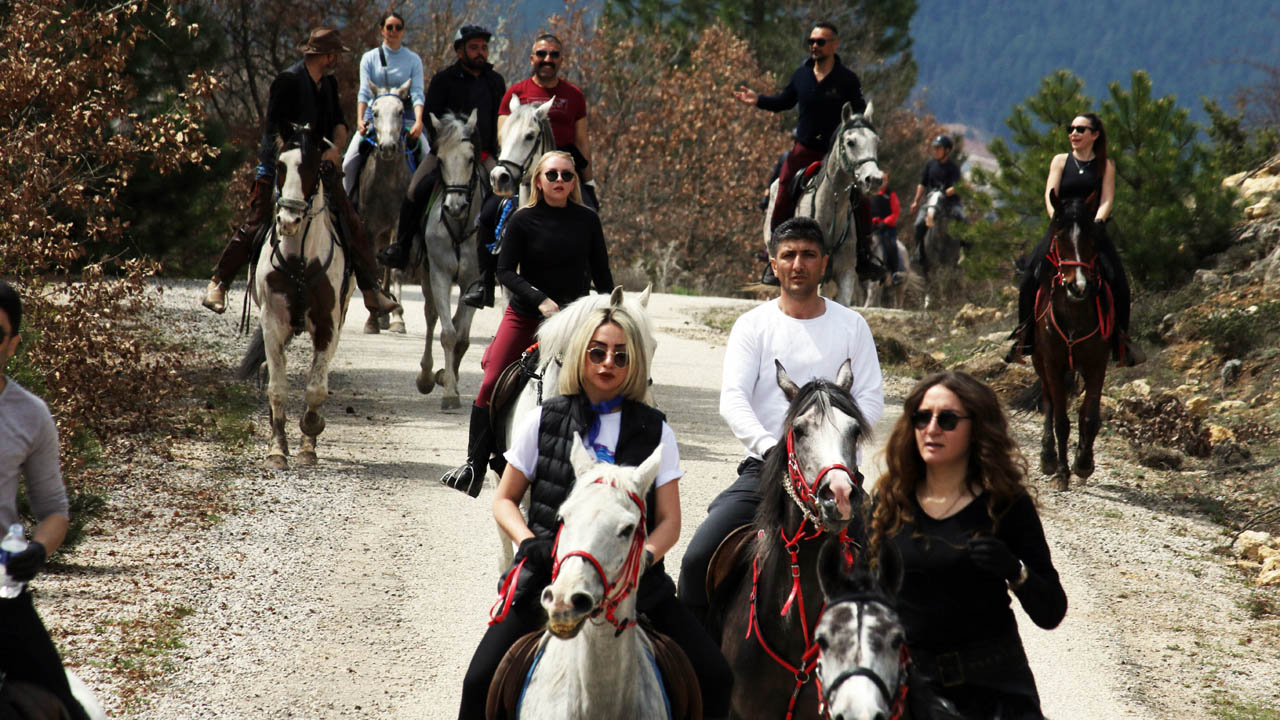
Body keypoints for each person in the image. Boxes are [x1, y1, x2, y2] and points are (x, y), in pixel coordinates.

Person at [456, 304, 733, 719]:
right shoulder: (541, 421)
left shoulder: (657, 430)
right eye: (598, 351)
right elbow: (504, 499)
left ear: (634, 362)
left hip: (635, 580)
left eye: (621, 355)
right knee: (478, 682)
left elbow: (670, 522)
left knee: (716, 676)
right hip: (551, 573)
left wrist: (644, 560)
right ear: (580, 353)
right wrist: (529, 542)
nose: (608, 363)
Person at [676, 216, 884, 626]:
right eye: (788, 255)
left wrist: (839, 452)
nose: (798, 264)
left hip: (835, 471)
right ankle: (694, 667)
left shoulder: (852, 326)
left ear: (825, 263)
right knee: (698, 558)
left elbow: (870, 400)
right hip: (768, 469)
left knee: (888, 559)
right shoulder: (753, 326)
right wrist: (772, 450)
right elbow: (733, 400)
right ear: (774, 264)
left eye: (808, 255)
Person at [868, 371, 1068, 719]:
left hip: (994, 688)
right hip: (909, 688)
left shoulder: (1006, 503)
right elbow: (856, 597)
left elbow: (1051, 611)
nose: (931, 429)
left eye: (947, 420)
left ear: (976, 428)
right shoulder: (888, 503)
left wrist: (1015, 571)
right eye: (921, 417)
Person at [439, 151, 612, 497]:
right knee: (492, 378)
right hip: (527, 315)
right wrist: (540, 300)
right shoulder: (521, 220)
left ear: (574, 181)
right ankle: (474, 464)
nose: (560, 181)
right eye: (552, 175)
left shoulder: (588, 221)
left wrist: (612, 313)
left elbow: (603, 276)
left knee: (611, 371)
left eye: (567, 175)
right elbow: (504, 271)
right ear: (538, 180)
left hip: (574, 317)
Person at [201, 27, 400, 318]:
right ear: (327, 55)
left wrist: (336, 149)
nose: (336, 60)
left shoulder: (328, 85)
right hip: (282, 165)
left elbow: (339, 124)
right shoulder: (288, 81)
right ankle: (219, 282)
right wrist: (288, 159)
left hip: (318, 166)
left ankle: (372, 290)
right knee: (256, 222)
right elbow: (272, 130)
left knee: (350, 220)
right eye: (334, 55)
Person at [0, 281, 91, 720]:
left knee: (65, 710)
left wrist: (38, 550)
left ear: (13, 344)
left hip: (1, 592)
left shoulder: (30, 414)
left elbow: (54, 507)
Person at [457, 33, 594, 309]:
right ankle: (485, 283)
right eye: (542, 54)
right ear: (532, 58)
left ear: (561, 60)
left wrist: (589, 182)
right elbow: (503, 134)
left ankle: (585, 282)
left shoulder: (573, 96)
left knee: (591, 214)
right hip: (521, 171)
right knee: (486, 217)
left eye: (554, 55)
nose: (547, 60)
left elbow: (582, 141)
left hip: (564, 172)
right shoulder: (516, 93)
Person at [1005, 112, 1144, 366]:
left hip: (1091, 229)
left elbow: (1106, 199)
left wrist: (1098, 221)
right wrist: (1058, 218)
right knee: (1030, 276)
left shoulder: (1106, 165)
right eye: (1071, 128)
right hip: (1062, 227)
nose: (1074, 133)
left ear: (1095, 134)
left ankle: (1121, 342)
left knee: (1117, 279)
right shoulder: (1060, 160)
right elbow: (1051, 194)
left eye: (1081, 129)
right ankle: (1023, 337)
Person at [379, 25, 506, 271]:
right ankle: (402, 249)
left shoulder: (495, 81)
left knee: (507, 197)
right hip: (445, 156)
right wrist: (447, 144)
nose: (480, 53)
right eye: (474, 48)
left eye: (483, 48)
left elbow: (501, 116)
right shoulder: (443, 79)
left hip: (484, 156)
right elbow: (429, 117)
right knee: (415, 190)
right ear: (460, 52)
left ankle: (502, 258)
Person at [734, 22, 866, 232]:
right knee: (784, 187)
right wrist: (758, 99)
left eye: (820, 42)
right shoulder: (800, 75)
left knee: (860, 194)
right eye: (811, 41)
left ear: (834, 45)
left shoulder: (847, 79)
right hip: (804, 150)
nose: (814, 46)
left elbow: (860, 112)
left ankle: (864, 251)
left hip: (837, 153)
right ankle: (777, 243)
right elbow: (783, 102)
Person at [340, 11, 427, 199]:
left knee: (427, 156)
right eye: (389, 27)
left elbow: (418, 93)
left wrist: (419, 121)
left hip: (406, 117)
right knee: (348, 163)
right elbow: (363, 91)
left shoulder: (413, 59)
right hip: (375, 117)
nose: (393, 31)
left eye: (398, 27)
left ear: (403, 31)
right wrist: (360, 120)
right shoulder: (369, 58)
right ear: (382, 30)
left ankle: (423, 211)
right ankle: (346, 209)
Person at [907, 134, 966, 270]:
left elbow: (957, 186)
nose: (936, 150)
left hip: (951, 202)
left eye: (939, 148)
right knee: (918, 224)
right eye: (935, 148)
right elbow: (922, 184)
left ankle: (965, 254)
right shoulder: (930, 164)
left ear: (947, 150)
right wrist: (915, 201)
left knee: (965, 220)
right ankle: (918, 253)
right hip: (932, 201)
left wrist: (944, 193)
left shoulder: (953, 167)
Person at [869, 170, 905, 285]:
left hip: (888, 228)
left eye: (884, 180)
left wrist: (885, 222)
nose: (882, 182)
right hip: (873, 228)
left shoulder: (891, 194)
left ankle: (895, 272)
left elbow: (896, 212)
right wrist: (873, 221)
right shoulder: (871, 194)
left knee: (891, 245)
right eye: (880, 179)